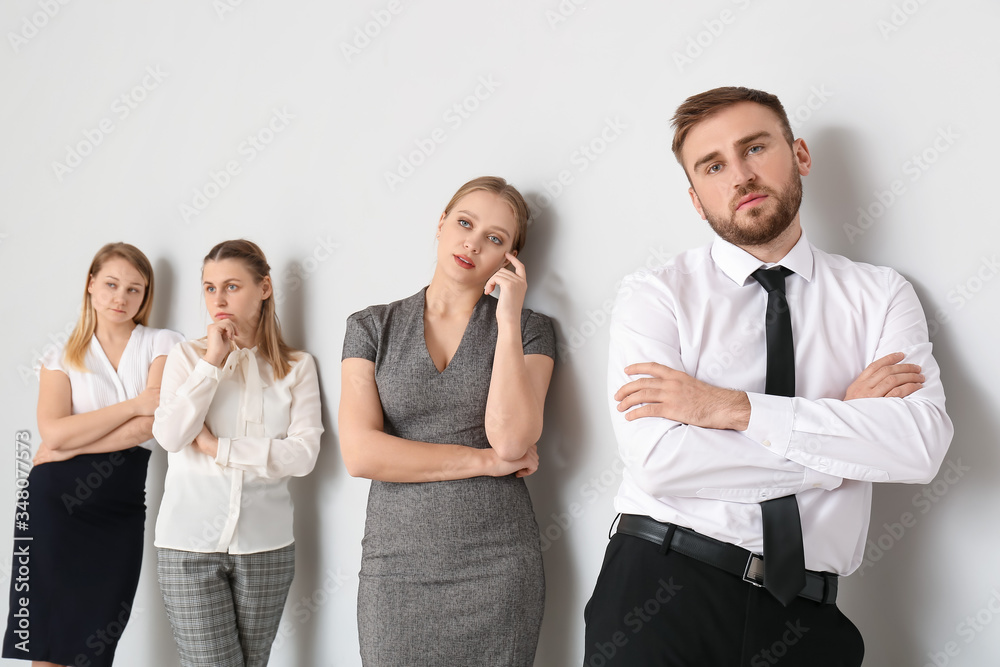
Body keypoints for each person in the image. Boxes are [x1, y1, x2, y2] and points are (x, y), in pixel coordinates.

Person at [582, 87, 954, 666]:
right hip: (661, 593)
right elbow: (659, 460)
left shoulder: (881, 296)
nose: (740, 175)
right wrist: (843, 441)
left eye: (755, 147)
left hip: (809, 617)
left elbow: (919, 446)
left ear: (800, 154)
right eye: (713, 165)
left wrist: (731, 409)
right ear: (696, 198)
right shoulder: (654, 296)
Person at [339, 176, 556, 666]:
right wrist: (483, 461)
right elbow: (360, 454)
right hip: (396, 566)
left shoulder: (530, 329)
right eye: (465, 223)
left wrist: (507, 316)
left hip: (497, 565)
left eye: (495, 239)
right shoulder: (371, 326)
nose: (473, 242)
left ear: (510, 258)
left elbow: (513, 438)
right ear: (440, 223)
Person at [2, 243, 183, 667]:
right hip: (52, 505)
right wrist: (133, 403)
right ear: (90, 285)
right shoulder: (59, 356)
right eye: (111, 284)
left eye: (134, 289)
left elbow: (152, 424)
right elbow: (53, 430)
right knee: (46, 644)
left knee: (95, 646)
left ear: (146, 295)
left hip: (119, 506)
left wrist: (71, 441)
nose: (121, 298)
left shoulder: (163, 344)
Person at [151, 239, 323, 667]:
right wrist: (212, 361)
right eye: (209, 288)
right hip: (187, 545)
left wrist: (217, 447)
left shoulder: (297, 366)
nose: (218, 299)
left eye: (231, 286)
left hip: (267, 547)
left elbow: (303, 455)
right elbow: (170, 435)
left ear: (264, 288)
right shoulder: (186, 358)